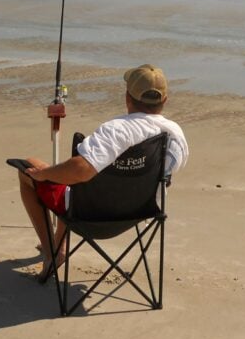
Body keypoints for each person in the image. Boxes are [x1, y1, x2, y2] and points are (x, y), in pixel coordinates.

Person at [15, 64, 189, 279]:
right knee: (71, 180)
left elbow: (80, 171)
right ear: (164, 100)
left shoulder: (118, 130)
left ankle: (53, 252)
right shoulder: (173, 135)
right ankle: (59, 247)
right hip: (142, 211)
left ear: (127, 97)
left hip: (90, 216)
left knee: (31, 168)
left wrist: (44, 174)